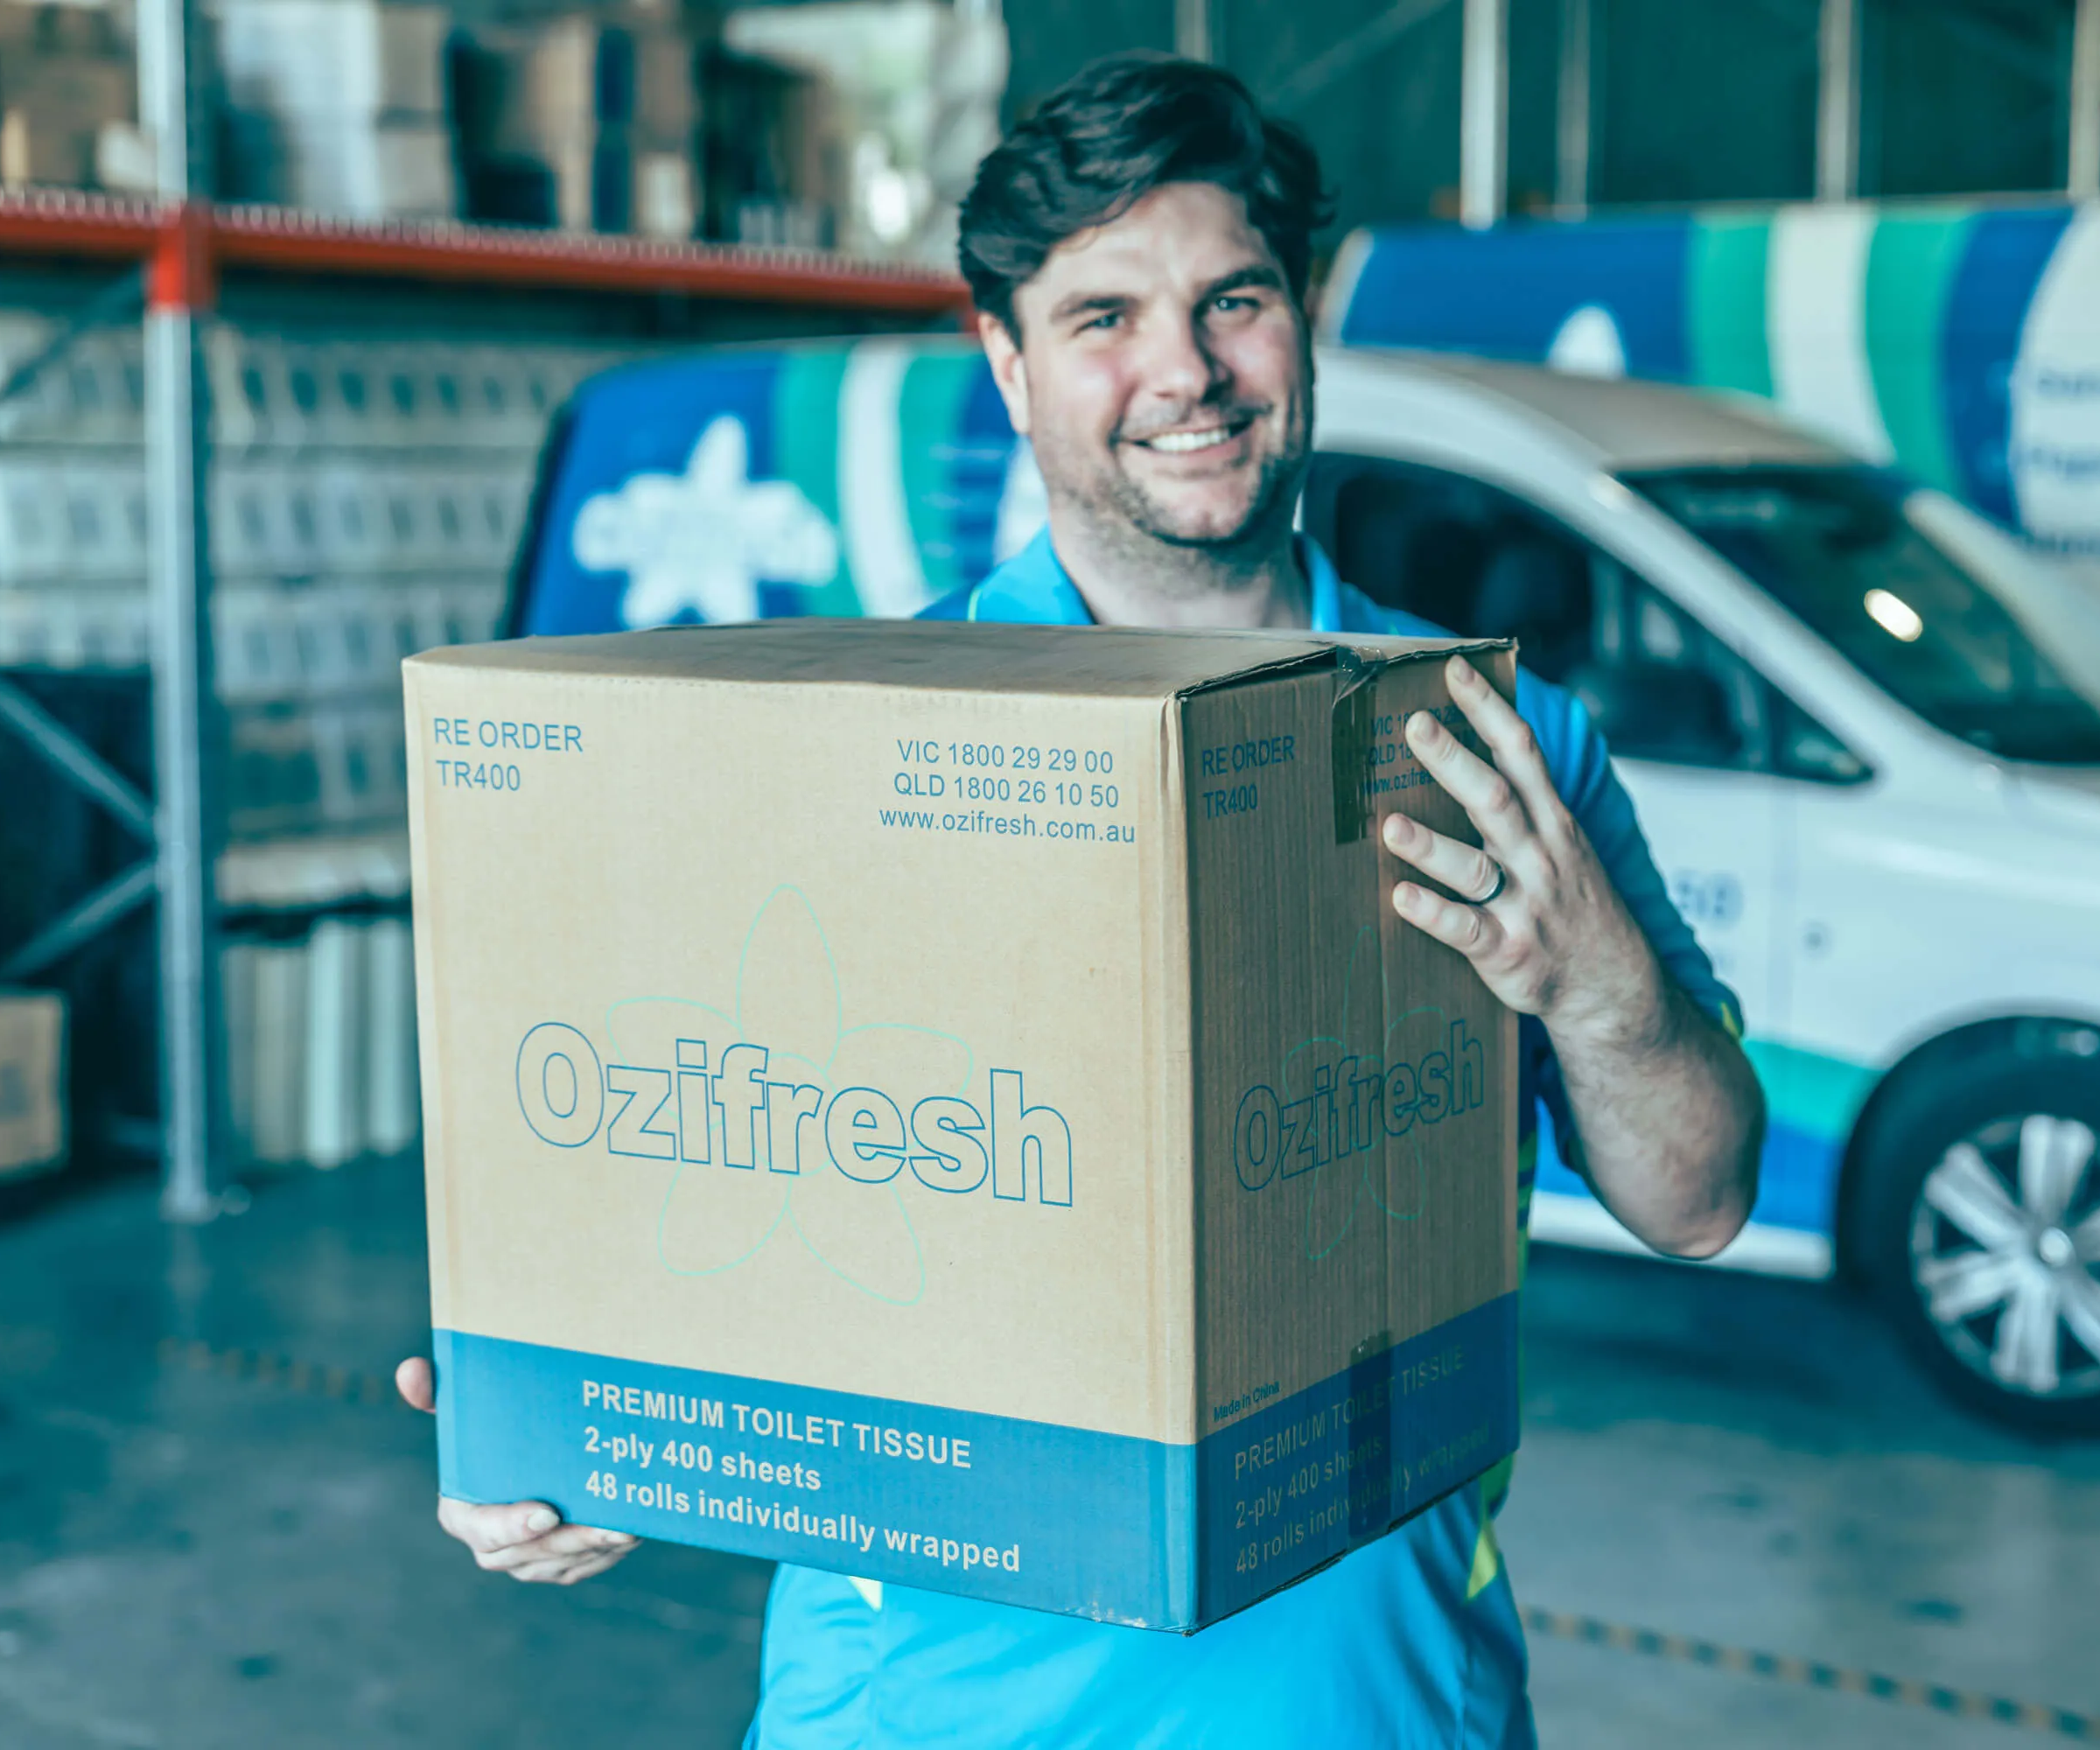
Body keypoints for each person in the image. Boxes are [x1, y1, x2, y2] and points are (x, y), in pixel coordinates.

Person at [395, 51, 1765, 1746]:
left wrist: (1602, 988)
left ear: (1306, 315)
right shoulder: (836, 745)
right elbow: (681, 1153)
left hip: (1371, 1705)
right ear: (1009, 365)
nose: (1183, 371)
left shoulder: (1487, 737)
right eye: (1102, 316)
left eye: (1233, 301)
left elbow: (1699, 1202)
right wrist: (557, 1438)